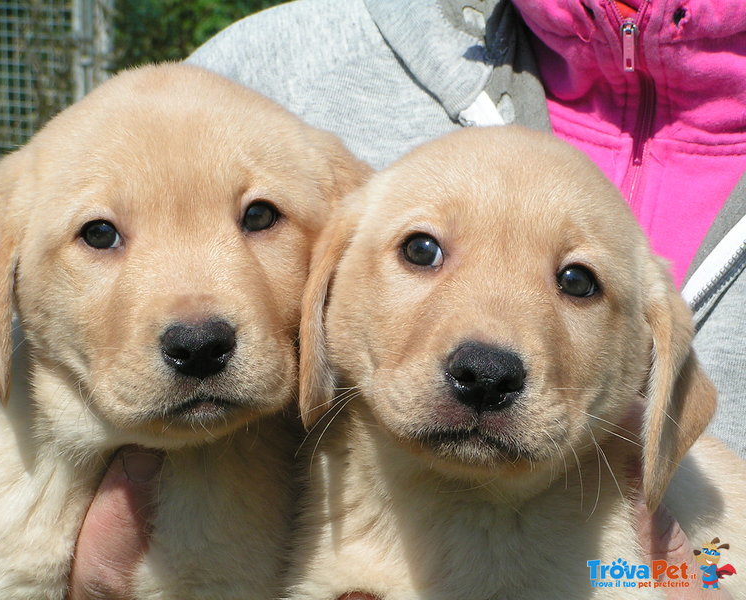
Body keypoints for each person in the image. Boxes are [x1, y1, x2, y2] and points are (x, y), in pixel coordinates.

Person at [69, 0, 745, 597]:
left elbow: (707, 569)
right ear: (323, 290)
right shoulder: (252, 83)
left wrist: (703, 572)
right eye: (422, 251)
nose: (489, 359)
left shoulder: (665, 543)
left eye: (577, 282)